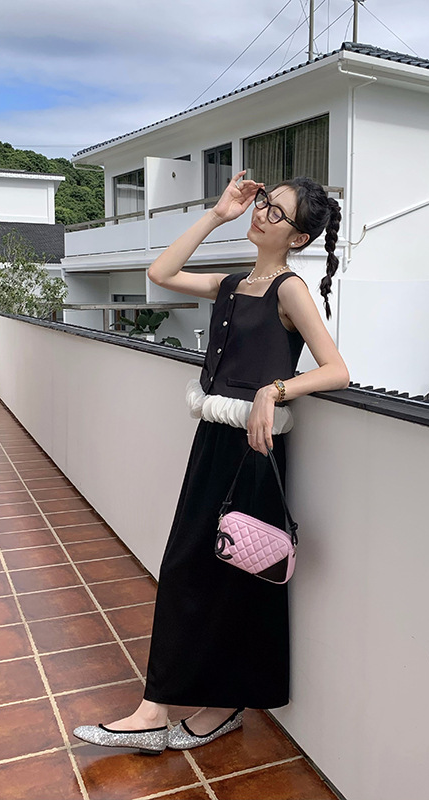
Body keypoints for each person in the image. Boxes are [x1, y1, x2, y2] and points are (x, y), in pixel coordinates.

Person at [73, 171, 350, 754]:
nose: (262, 212)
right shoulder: (233, 284)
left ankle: (199, 707)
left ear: (298, 238)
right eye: (265, 202)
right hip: (214, 439)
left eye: (276, 212)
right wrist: (218, 214)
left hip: (253, 449)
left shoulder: (289, 290)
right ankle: (166, 706)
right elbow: (161, 273)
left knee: (235, 572)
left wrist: (276, 390)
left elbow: (336, 370)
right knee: (189, 567)